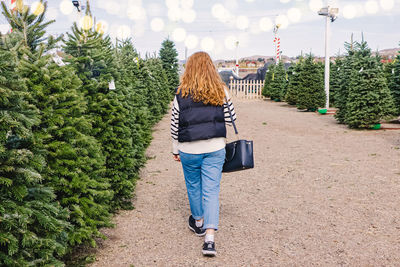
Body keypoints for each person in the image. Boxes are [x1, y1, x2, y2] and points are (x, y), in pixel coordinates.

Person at [170, 51, 236, 256]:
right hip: (215, 148)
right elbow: (231, 116)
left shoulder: (181, 93)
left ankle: (198, 221)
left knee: (193, 186)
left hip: (189, 148)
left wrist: (175, 149)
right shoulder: (221, 90)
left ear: (188, 69)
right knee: (211, 190)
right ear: (211, 68)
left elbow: (174, 125)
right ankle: (209, 238)